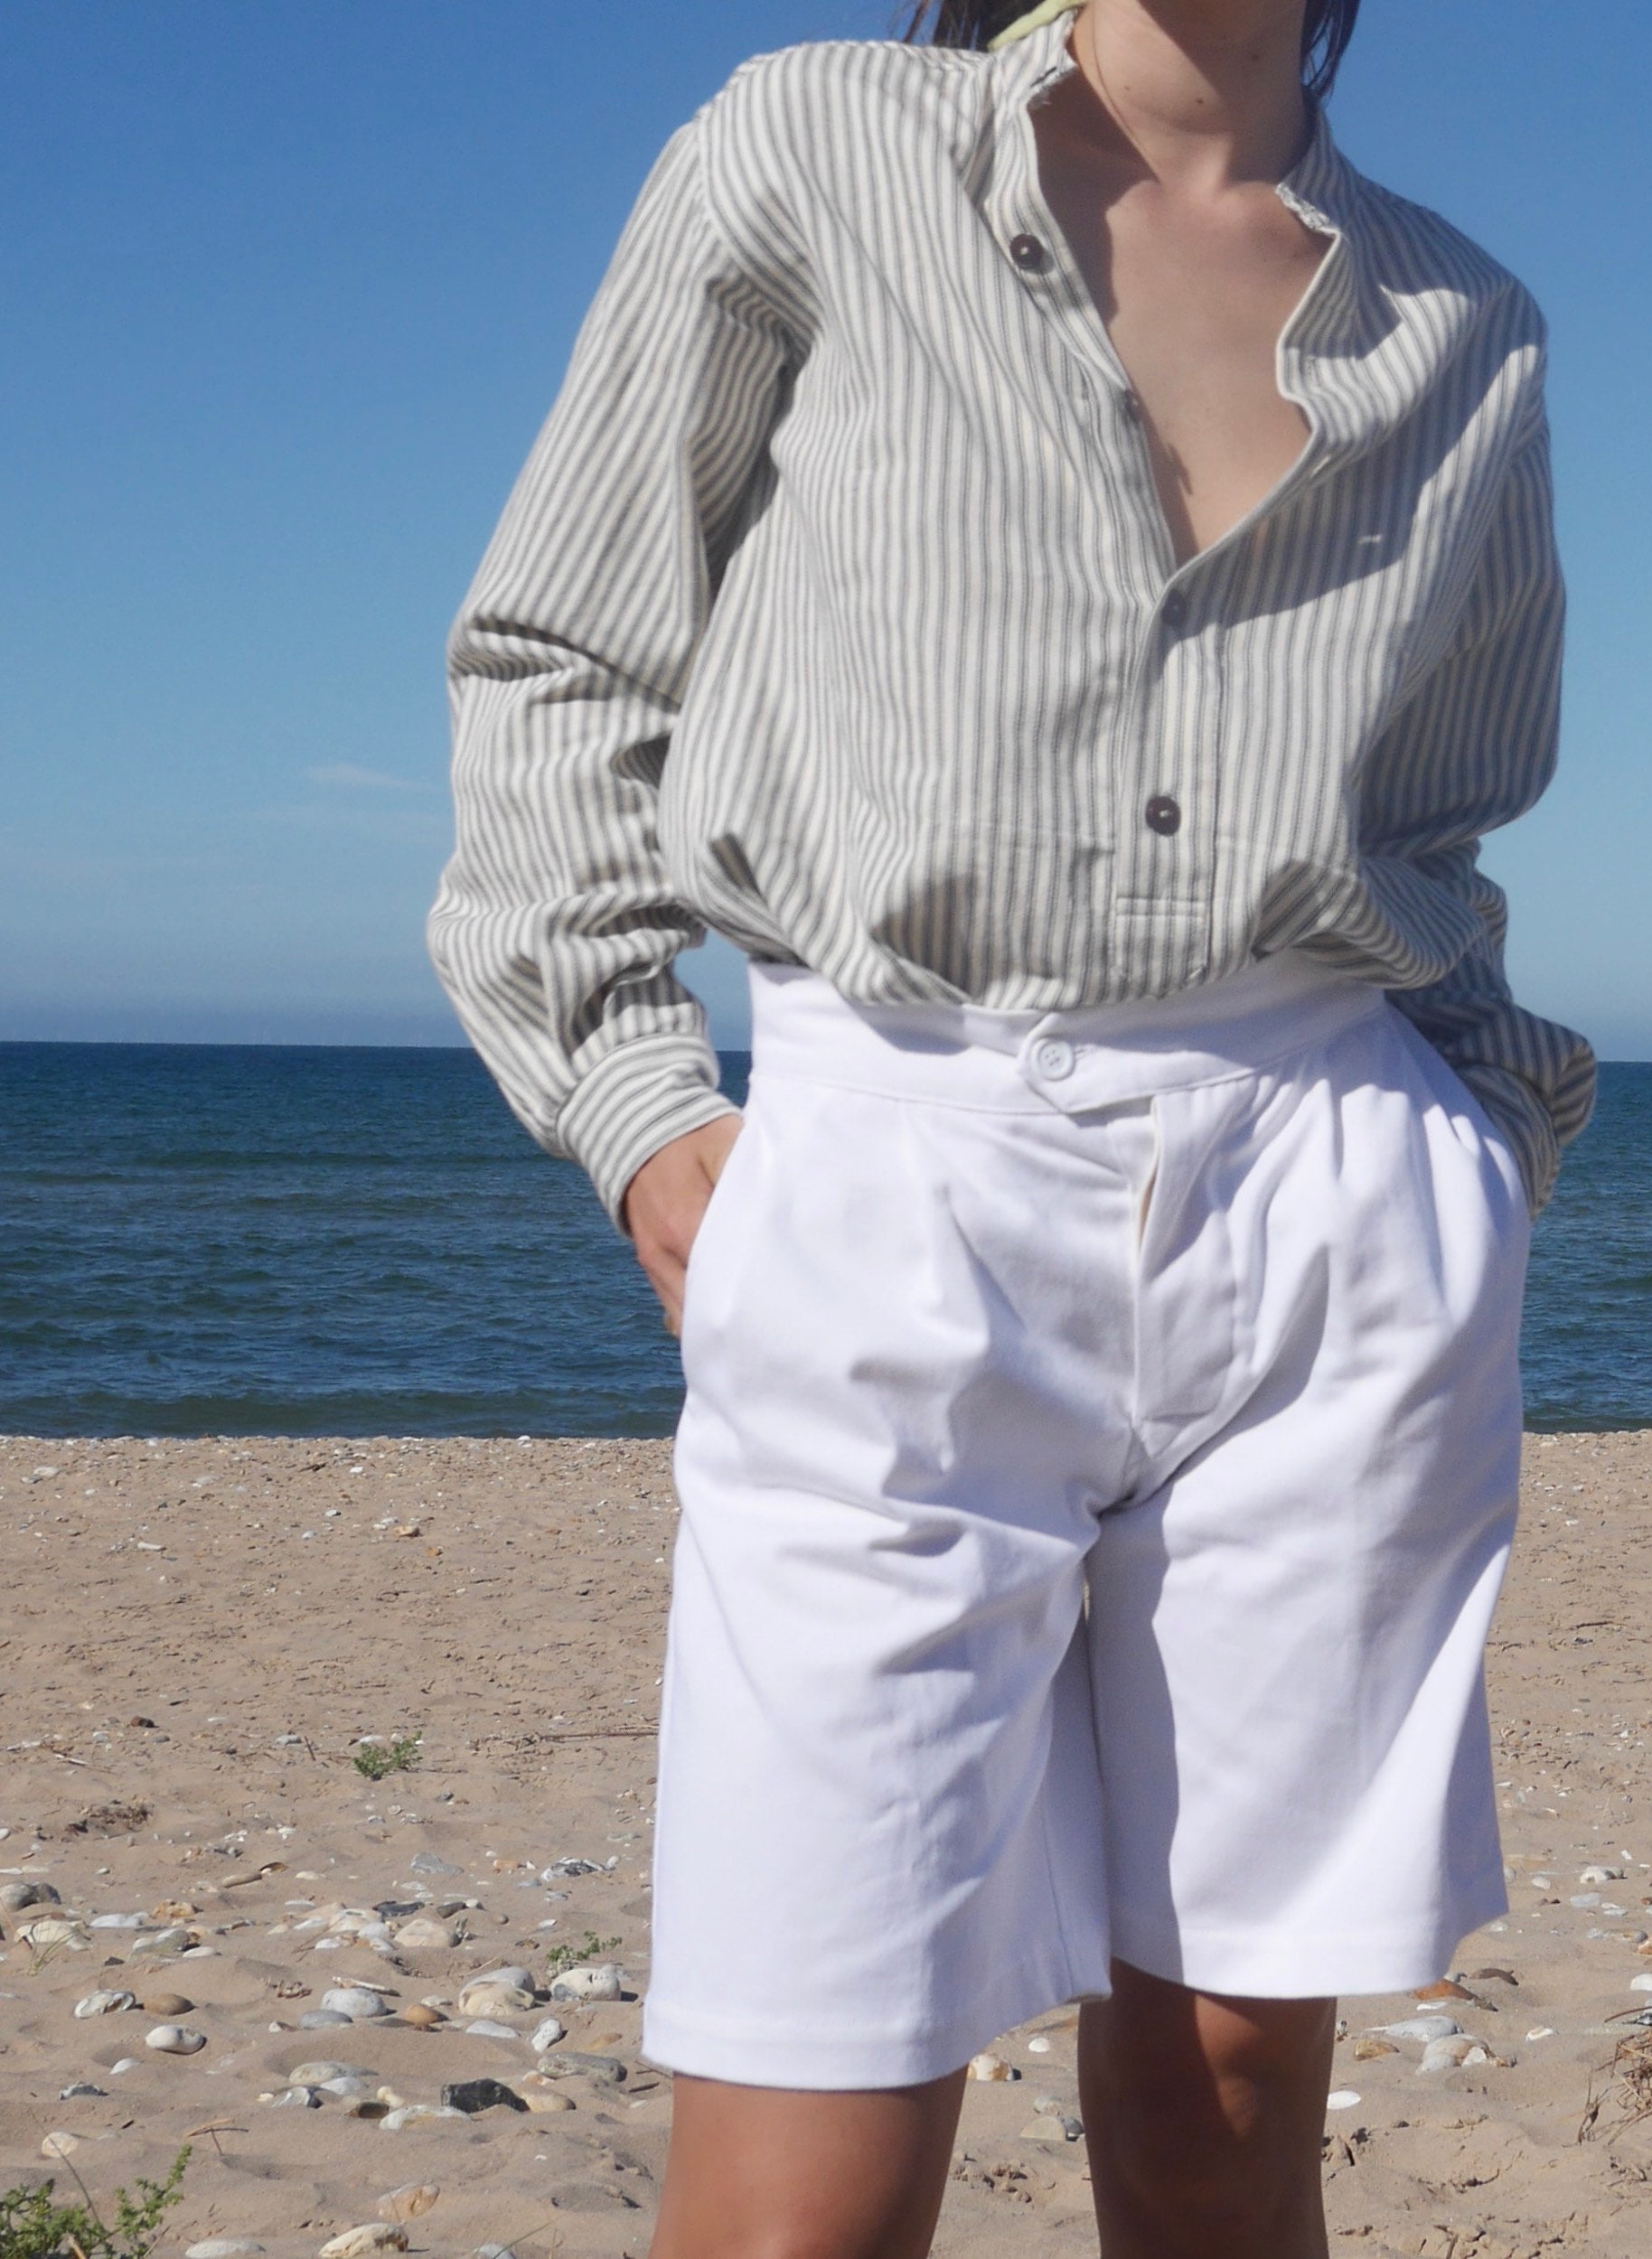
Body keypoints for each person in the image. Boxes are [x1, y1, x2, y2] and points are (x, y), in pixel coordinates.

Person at [429, 0, 1592, 2247]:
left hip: (1329, 1208)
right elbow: (564, 654)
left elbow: (1443, 821)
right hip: (893, 1156)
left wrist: (1466, 1153)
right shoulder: (810, 149)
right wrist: (643, 1096)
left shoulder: (1467, 326)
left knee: (1227, 2100)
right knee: (806, 2151)